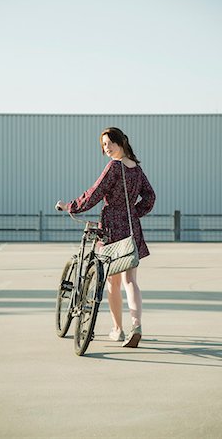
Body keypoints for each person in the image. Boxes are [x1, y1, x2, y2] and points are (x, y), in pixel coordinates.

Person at [55, 127, 156, 348]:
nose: (106, 148)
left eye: (110, 142)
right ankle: (136, 326)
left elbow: (94, 193)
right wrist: (133, 213)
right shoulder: (136, 169)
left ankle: (118, 330)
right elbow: (150, 197)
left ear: (121, 142)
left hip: (111, 228)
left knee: (113, 282)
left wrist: (70, 206)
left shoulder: (114, 166)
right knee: (131, 281)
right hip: (131, 229)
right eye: (103, 145)